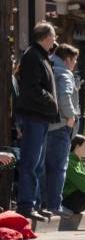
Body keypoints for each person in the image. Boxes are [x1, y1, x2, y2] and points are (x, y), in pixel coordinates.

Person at [15, 22, 60, 222]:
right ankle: (26, 205)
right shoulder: (33, 56)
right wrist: (50, 100)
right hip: (33, 116)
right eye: (53, 36)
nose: (55, 40)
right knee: (31, 163)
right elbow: (31, 87)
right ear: (45, 37)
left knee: (38, 165)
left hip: (40, 117)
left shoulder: (40, 55)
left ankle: (35, 204)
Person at [44, 44, 80, 219]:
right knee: (59, 167)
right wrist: (71, 115)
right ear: (67, 59)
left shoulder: (48, 67)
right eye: (74, 60)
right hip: (61, 126)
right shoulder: (65, 73)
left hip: (47, 125)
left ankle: (44, 203)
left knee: (45, 166)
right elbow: (66, 95)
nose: (75, 64)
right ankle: (55, 205)